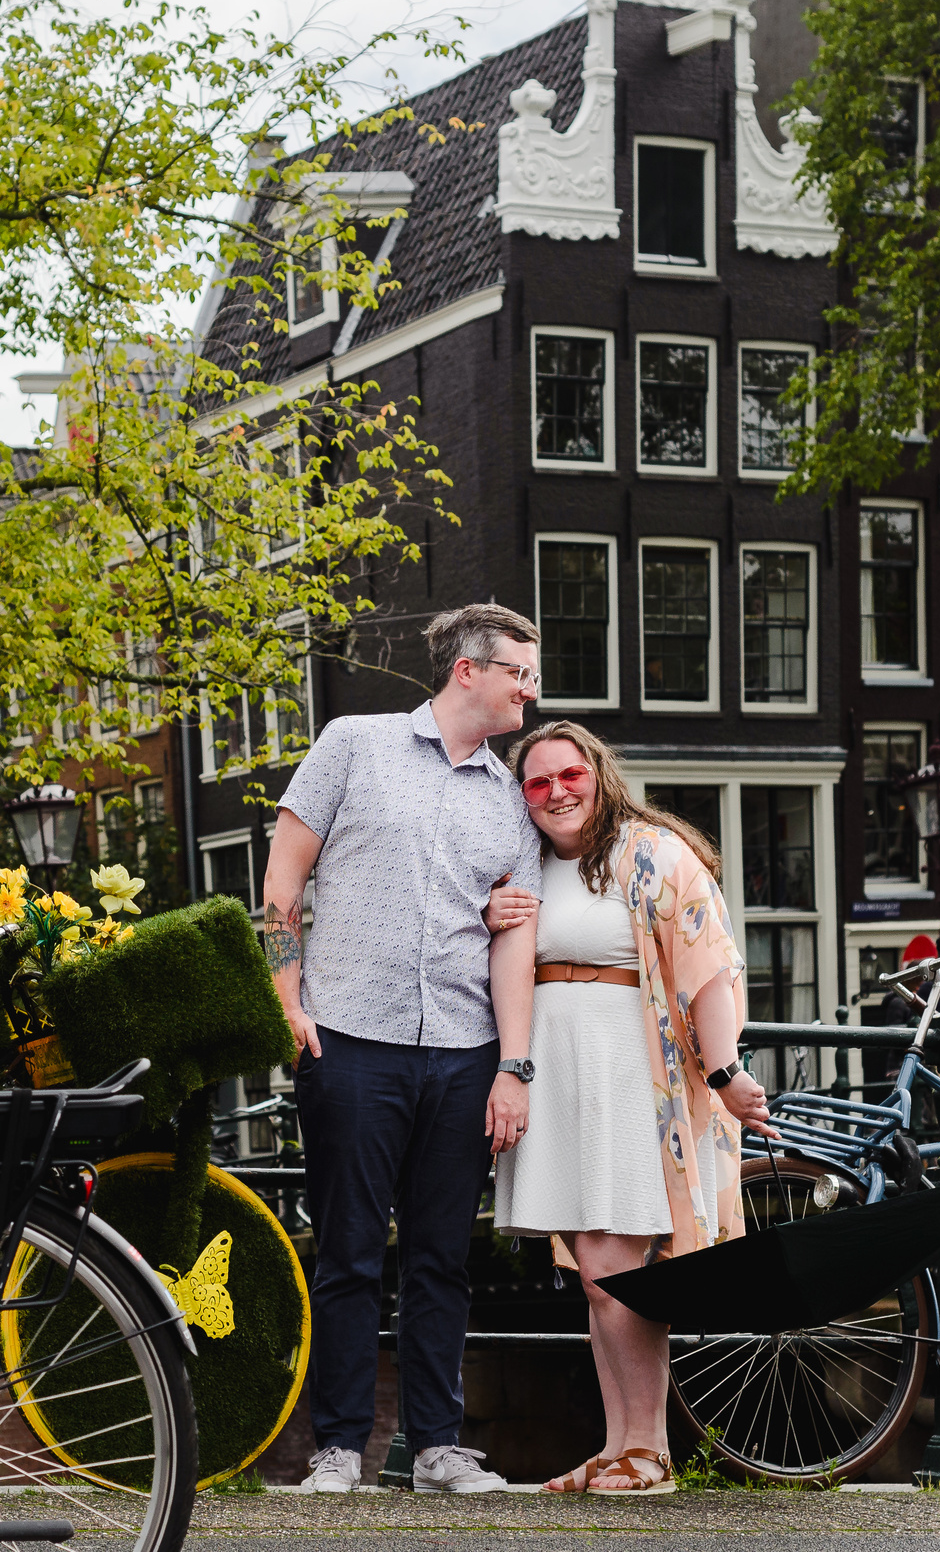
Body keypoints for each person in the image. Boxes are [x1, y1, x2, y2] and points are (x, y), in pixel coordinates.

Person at [260, 604, 544, 1495]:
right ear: (469, 670)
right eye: (520, 673)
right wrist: (287, 1001)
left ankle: (436, 1450)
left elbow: (514, 942)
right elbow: (282, 878)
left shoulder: (510, 800)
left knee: (440, 1258)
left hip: (463, 1051)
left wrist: (512, 1065)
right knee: (346, 1250)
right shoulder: (354, 743)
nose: (531, 689)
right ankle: (338, 1450)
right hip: (347, 1038)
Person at [486, 721, 776, 1494]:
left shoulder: (650, 853)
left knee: (617, 1269)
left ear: (599, 773)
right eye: (539, 783)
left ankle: (649, 1452)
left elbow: (706, 963)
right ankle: (619, 1447)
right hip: (557, 1072)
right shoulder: (528, 864)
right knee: (594, 1273)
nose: (557, 793)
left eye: (569, 775)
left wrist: (725, 1074)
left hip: (624, 1073)